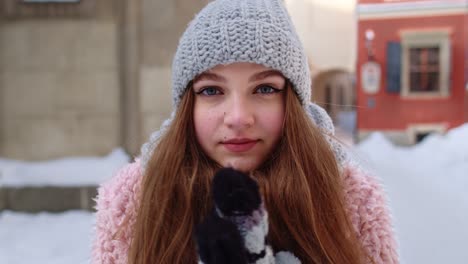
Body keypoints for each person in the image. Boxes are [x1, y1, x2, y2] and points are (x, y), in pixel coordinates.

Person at [92, 0, 399, 263]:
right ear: (187, 107)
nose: (238, 117)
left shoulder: (348, 197)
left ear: (292, 103)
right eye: (211, 90)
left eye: (265, 88)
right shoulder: (135, 201)